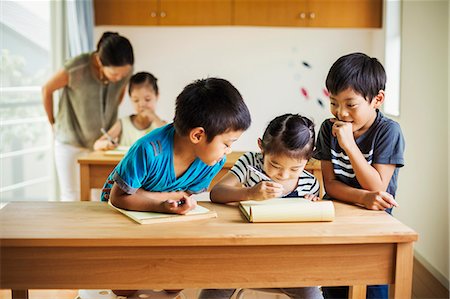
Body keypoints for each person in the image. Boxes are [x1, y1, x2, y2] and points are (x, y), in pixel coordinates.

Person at [100, 77, 251, 298]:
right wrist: (163, 204)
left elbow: (185, 194)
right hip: (123, 217)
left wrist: (175, 203)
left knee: (174, 283)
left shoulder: (212, 161)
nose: (228, 151)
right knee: (125, 289)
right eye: (227, 143)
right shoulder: (148, 150)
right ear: (198, 135)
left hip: (164, 218)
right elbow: (119, 197)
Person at [313, 52, 405, 299]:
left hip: (374, 228)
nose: (341, 113)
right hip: (336, 223)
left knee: (372, 289)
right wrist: (363, 198)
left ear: (377, 99)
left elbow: (377, 186)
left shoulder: (388, 131)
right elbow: (330, 185)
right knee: (335, 289)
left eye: (350, 104)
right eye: (334, 103)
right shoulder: (326, 128)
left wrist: (350, 146)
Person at [201, 113, 323, 299]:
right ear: (261, 148)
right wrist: (250, 193)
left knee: (311, 293)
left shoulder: (309, 183)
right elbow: (217, 193)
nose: (283, 174)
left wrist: (312, 206)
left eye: (295, 169)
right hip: (244, 255)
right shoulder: (250, 163)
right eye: (274, 164)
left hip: (289, 262)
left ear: (309, 158)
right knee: (217, 286)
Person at [42, 31, 134, 201]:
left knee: (98, 195)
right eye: (115, 75)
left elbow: (118, 96)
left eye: (123, 75)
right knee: (71, 195)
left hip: (100, 143)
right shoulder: (76, 67)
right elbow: (47, 89)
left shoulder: (124, 71)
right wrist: (52, 122)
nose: (119, 78)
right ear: (99, 61)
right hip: (70, 141)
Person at [93, 72, 166, 151]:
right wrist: (107, 144)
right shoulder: (123, 123)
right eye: (136, 100)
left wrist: (155, 118)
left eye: (147, 99)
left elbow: (169, 142)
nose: (141, 104)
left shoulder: (161, 125)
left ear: (157, 96)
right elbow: (97, 145)